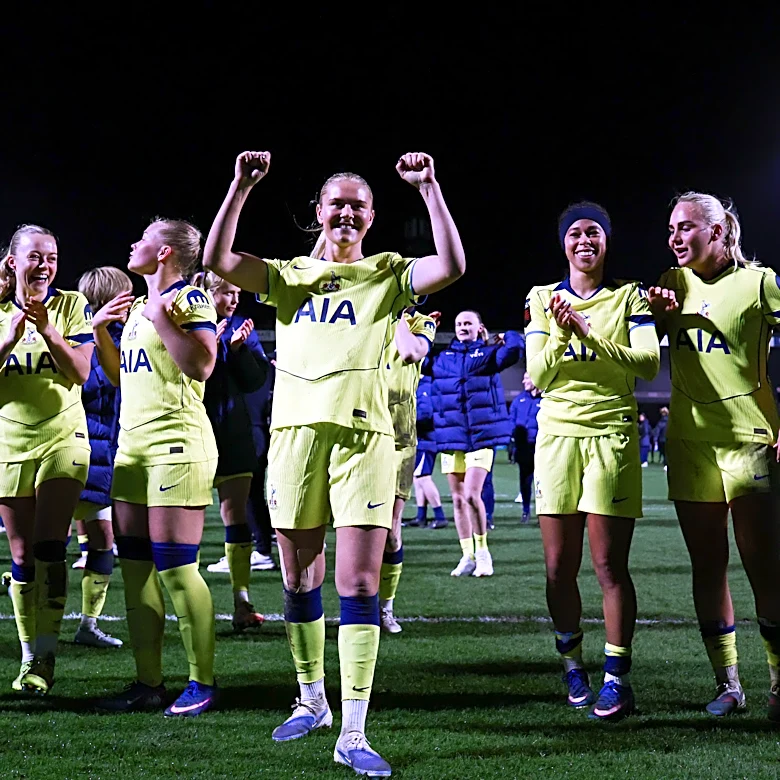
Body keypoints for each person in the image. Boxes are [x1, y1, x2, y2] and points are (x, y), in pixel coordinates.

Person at [203, 150, 465, 777]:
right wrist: (240, 186)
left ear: (371, 217)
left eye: (358, 206)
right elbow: (218, 260)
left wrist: (429, 188)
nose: (347, 213)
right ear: (319, 211)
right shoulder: (288, 275)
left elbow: (452, 266)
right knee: (298, 578)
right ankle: (311, 700)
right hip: (294, 438)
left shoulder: (387, 272)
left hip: (364, 439)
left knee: (360, 585)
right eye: (337, 203)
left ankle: (354, 730)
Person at [525, 201, 660, 721]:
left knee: (608, 565)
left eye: (594, 232)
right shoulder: (541, 298)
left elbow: (648, 364)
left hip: (611, 435)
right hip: (557, 437)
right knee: (558, 568)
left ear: (606, 241)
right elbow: (540, 374)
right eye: (575, 233)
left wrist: (588, 334)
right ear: (563, 243)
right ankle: (572, 665)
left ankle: (617, 679)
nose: (584, 240)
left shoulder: (630, 296)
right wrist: (563, 332)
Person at [648, 192, 780, 720]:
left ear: (718, 231)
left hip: (749, 438)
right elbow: (644, 350)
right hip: (689, 442)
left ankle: (778, 683)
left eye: (685, 227)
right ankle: (728, 684)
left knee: (763, 566)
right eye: (671, 229)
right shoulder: (670, 283)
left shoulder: (760, 282)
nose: (675, 238)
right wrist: (657, 320)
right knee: (707, 566)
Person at [94, 218, 219, 718]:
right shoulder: (138, 309)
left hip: (177, 446)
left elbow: (202, 364)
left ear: (164, 252)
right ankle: (148, 683)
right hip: (133, 451)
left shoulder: (189, 300)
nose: (134, 243)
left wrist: (161, 318)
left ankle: (202, 682)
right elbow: (119, 377)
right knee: (135, 570)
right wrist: (101, 331)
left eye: (143, 238)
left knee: (177, 568)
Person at [0, 224, 94, 693]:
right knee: (20, 554)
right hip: (8, 441)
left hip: (63, 438)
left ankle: (46, 655)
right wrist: (10, 337)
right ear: (14, 262)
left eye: (52, 257)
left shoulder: (72, 304)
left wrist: (48, 331)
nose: (45, 265)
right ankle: (28, 656)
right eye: (36, 256)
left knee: (49, 545)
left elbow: (80, 371)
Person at [192, 270, 270, 630]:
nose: (234, 299)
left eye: (237, 292)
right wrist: (208, 344)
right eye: (226, 292)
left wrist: (237, 350)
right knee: (188, 523)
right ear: (207, 293)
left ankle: (242, 602)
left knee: (235, 516)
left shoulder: (241, 329)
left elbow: (256, 381)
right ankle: (190, 601)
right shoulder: (187, 324)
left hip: (234, 433)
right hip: (192, 433)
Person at [432, 311, 523, 577]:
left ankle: (483, 553)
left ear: (479, 327)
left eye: (468, 323)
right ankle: (467, 556)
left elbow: (515, 350)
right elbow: (414, 357)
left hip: (481, 436)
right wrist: (424, 331)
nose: (462, 327)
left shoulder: (488, 354)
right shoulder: (443, 358)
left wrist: (506, 335)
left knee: (472, 495)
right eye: (459, 323)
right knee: (458, 499)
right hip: (452, 437)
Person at [71, 266, 134, 649]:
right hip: (84, 452)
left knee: (100, 541)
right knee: (43, 545)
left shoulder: (108, 335)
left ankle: (87, 624)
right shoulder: (99, 339)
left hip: (97, 453)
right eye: (126, 294)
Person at [380, 307, 438, 633]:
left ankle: (385, 607)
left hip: (398, 441)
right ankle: (357, 605)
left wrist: (397, 314)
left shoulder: (421, 323)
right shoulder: (365, 314)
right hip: (359, 431)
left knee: (390, 530)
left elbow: (410, 352)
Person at [404, 360, 448, 529]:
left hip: (427, 439)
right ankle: (421, 516)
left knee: (423, 477)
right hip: (422, 439)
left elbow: (425, 414)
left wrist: (405, 421)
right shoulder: (420, 384)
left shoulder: (425, 386)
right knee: (417, 477)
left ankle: (440, 516)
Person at [509, 372, 541, 523]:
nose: (523, 381)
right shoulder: (518, 400)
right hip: (524, 448)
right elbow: (511, 422)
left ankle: (544, 513)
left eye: (527, 378)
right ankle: (526, 511)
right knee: (525, 481)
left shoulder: (546, 400)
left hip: (541, 448)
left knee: (543, 483)